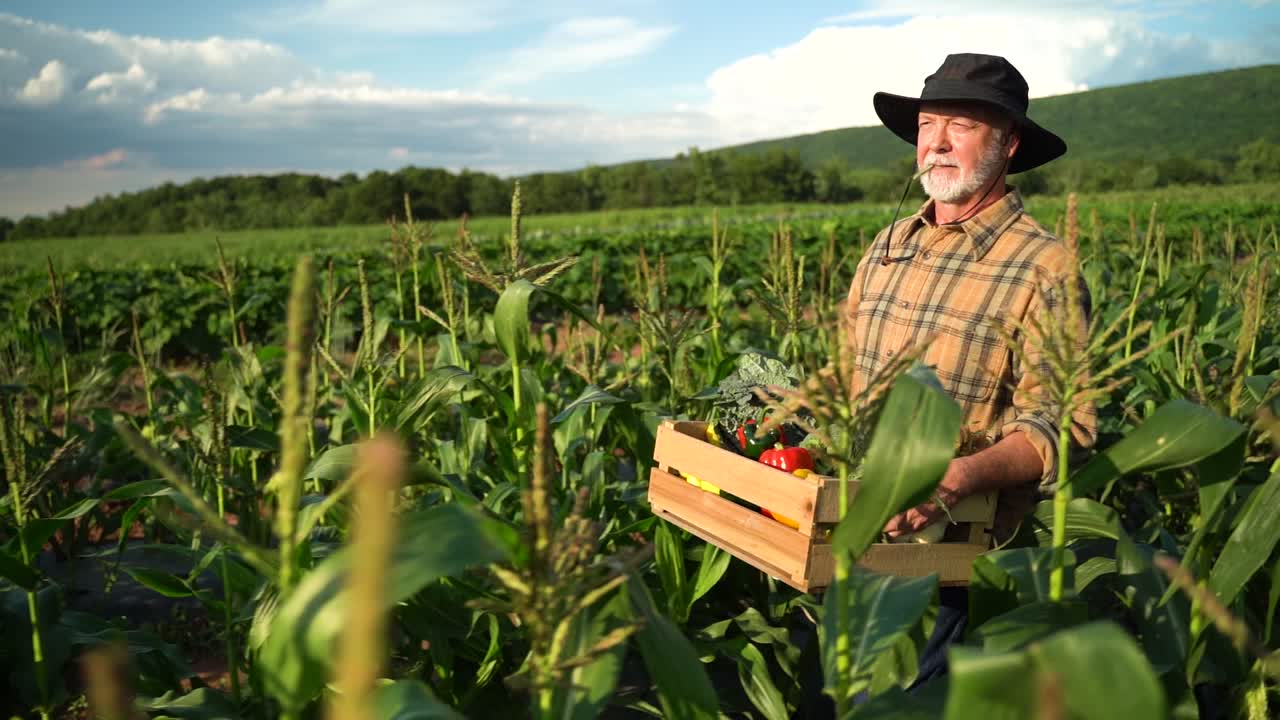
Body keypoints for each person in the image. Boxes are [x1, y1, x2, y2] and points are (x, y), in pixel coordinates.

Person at [844, 53, 1098, 685]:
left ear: (1008, 144)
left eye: (961, 125)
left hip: (952, 559)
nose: (935, 142)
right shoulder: (887, 246)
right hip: (854, 537)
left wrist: (957, 477)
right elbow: (848, 378)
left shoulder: (1044, 266)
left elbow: (1063, 426)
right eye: (929, 123)